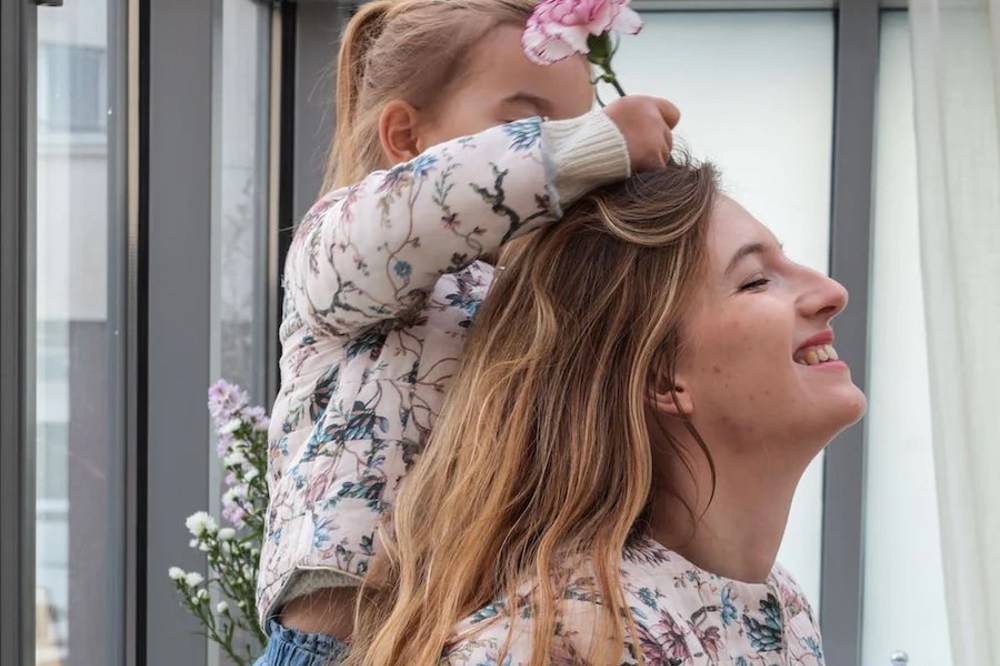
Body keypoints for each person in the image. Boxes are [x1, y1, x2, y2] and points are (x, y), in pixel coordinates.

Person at [255, 0, 681, 661]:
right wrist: (586, 146)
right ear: (405, 138)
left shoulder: (530, 291)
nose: (572, 152)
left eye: (579, 123)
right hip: (343, 637)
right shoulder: (339, 247)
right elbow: (420, 211)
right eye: (527, 123)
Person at [345, 159, 867, 665]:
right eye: (755, 281)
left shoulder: (785, 607)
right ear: (661, 375)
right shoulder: (559, 638)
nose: (832, 292)